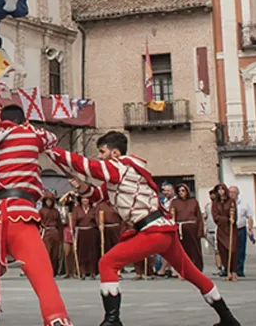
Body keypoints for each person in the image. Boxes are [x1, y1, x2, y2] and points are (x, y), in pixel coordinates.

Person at [48, 132, 240, 326]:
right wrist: (80, 186)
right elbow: (97, 195)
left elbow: (88, 166)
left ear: (115, 153)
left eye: (102, 151)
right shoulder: (124, 173)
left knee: (107, 263)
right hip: (161, 230)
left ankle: (112, 319)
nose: (99, 156)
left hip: (152, 230)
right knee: (192, 273)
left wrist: (51, 150)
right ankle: (228, 318)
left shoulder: (120, 167)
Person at [0, 104, 72, 326]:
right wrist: (23, 124)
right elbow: (51, 138)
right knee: (43, 276)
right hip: (18, 214)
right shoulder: (29, 133)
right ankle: (56, 319)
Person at [172, 184, 205, 272]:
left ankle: (197, 269)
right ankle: (185, 270)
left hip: (192, 228)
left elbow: (199, 217)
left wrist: (200, 230)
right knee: (183, 251)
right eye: (179, 191)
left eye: (183, 190)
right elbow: (172, 216)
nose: (181, 193)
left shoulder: (193, 202)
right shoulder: (175, 202)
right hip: (180, 228)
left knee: (195, 250)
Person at [211, 184, 238, 281]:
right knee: (222, 251)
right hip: (221, 229)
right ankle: (228, 271)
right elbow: (215, 217)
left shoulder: (231, 201)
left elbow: (234, 215)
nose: (221, 191)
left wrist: (232, 219)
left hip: (231, 229)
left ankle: (234, 271)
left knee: (232, 250)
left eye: (222, 189)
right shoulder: (215, 202)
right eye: (219, 189)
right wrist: (226, 219)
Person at [229, 186, 255, 278]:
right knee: (230, 249)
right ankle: (229, 268)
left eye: (233, 192)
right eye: (230, 192)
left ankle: (239, 269)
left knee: (240, 250)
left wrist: (250, 229)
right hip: (229, 229)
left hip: (240, 228)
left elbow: (249, 217)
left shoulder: (243, 204)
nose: (231, 194)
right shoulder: (226, 203)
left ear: (237, 193)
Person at [72, 196, 98, 279]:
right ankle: (82, 272)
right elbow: (73, 220)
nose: (85, 200)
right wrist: (72, 229)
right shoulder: (77, 209)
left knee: (92, 252)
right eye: (83, 198)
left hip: (92, 232)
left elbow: (97, 219)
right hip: (81, 232)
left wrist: (100, 225)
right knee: (82, 252)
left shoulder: (93, 209)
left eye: (87, 198)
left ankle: (92, 272)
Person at [39, 193, 63, 277]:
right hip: (46, 232)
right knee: (47, 252)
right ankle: (46, 271)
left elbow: (60, 225)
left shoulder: (56, 211)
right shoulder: (41, 211)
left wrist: (60, 237)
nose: (49, 202)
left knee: (55, 254)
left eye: (50, 201)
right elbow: (39, 223)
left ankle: (54, 271)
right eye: (47, 201)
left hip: (55, 232)